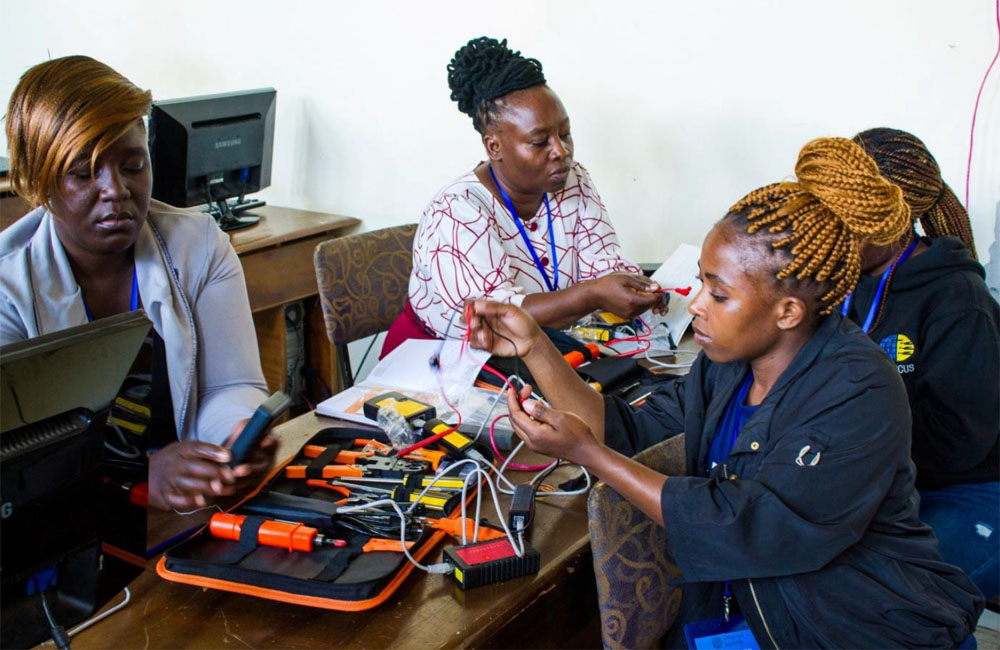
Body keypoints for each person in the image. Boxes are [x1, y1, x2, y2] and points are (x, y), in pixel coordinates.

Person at [466, 138, 983, 647]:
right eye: (701, 284)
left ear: (788, 311)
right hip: (749, 613)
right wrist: (534, 346)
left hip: (856, 625)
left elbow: (747, 527)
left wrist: (589, 455)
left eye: (718, 294)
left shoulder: (858, 389)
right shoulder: (727, 367)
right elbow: (628, 431)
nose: (695, 305)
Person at [0, 56, 274, 511]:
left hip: (182, 512)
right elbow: (15, 461)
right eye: (83, 173)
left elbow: (230, 385)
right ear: (37, 183)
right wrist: (138, 476)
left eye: (132, 165)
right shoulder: (8, 286)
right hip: (61, 520)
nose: (116, 190)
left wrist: (234, 436)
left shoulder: (199, 245)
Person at [384, 37, 662, 356]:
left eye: (565, 134)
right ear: (494, 147)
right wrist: (592, 294)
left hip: (543, 350)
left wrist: (630, 288)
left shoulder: (573, 180)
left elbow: (601, 268)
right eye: (540, 141)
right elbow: (497, 319)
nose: (561, 151)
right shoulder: (456, 211)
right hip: (444, 359)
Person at [849, 127, 999, 599]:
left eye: (846, 216)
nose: (830, 228)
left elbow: (959, 442)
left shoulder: (959, 300)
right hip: (887, 479)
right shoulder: (844, 283)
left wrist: (851, 447)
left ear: (890, 220)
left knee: (897, 598)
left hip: (969, 488)